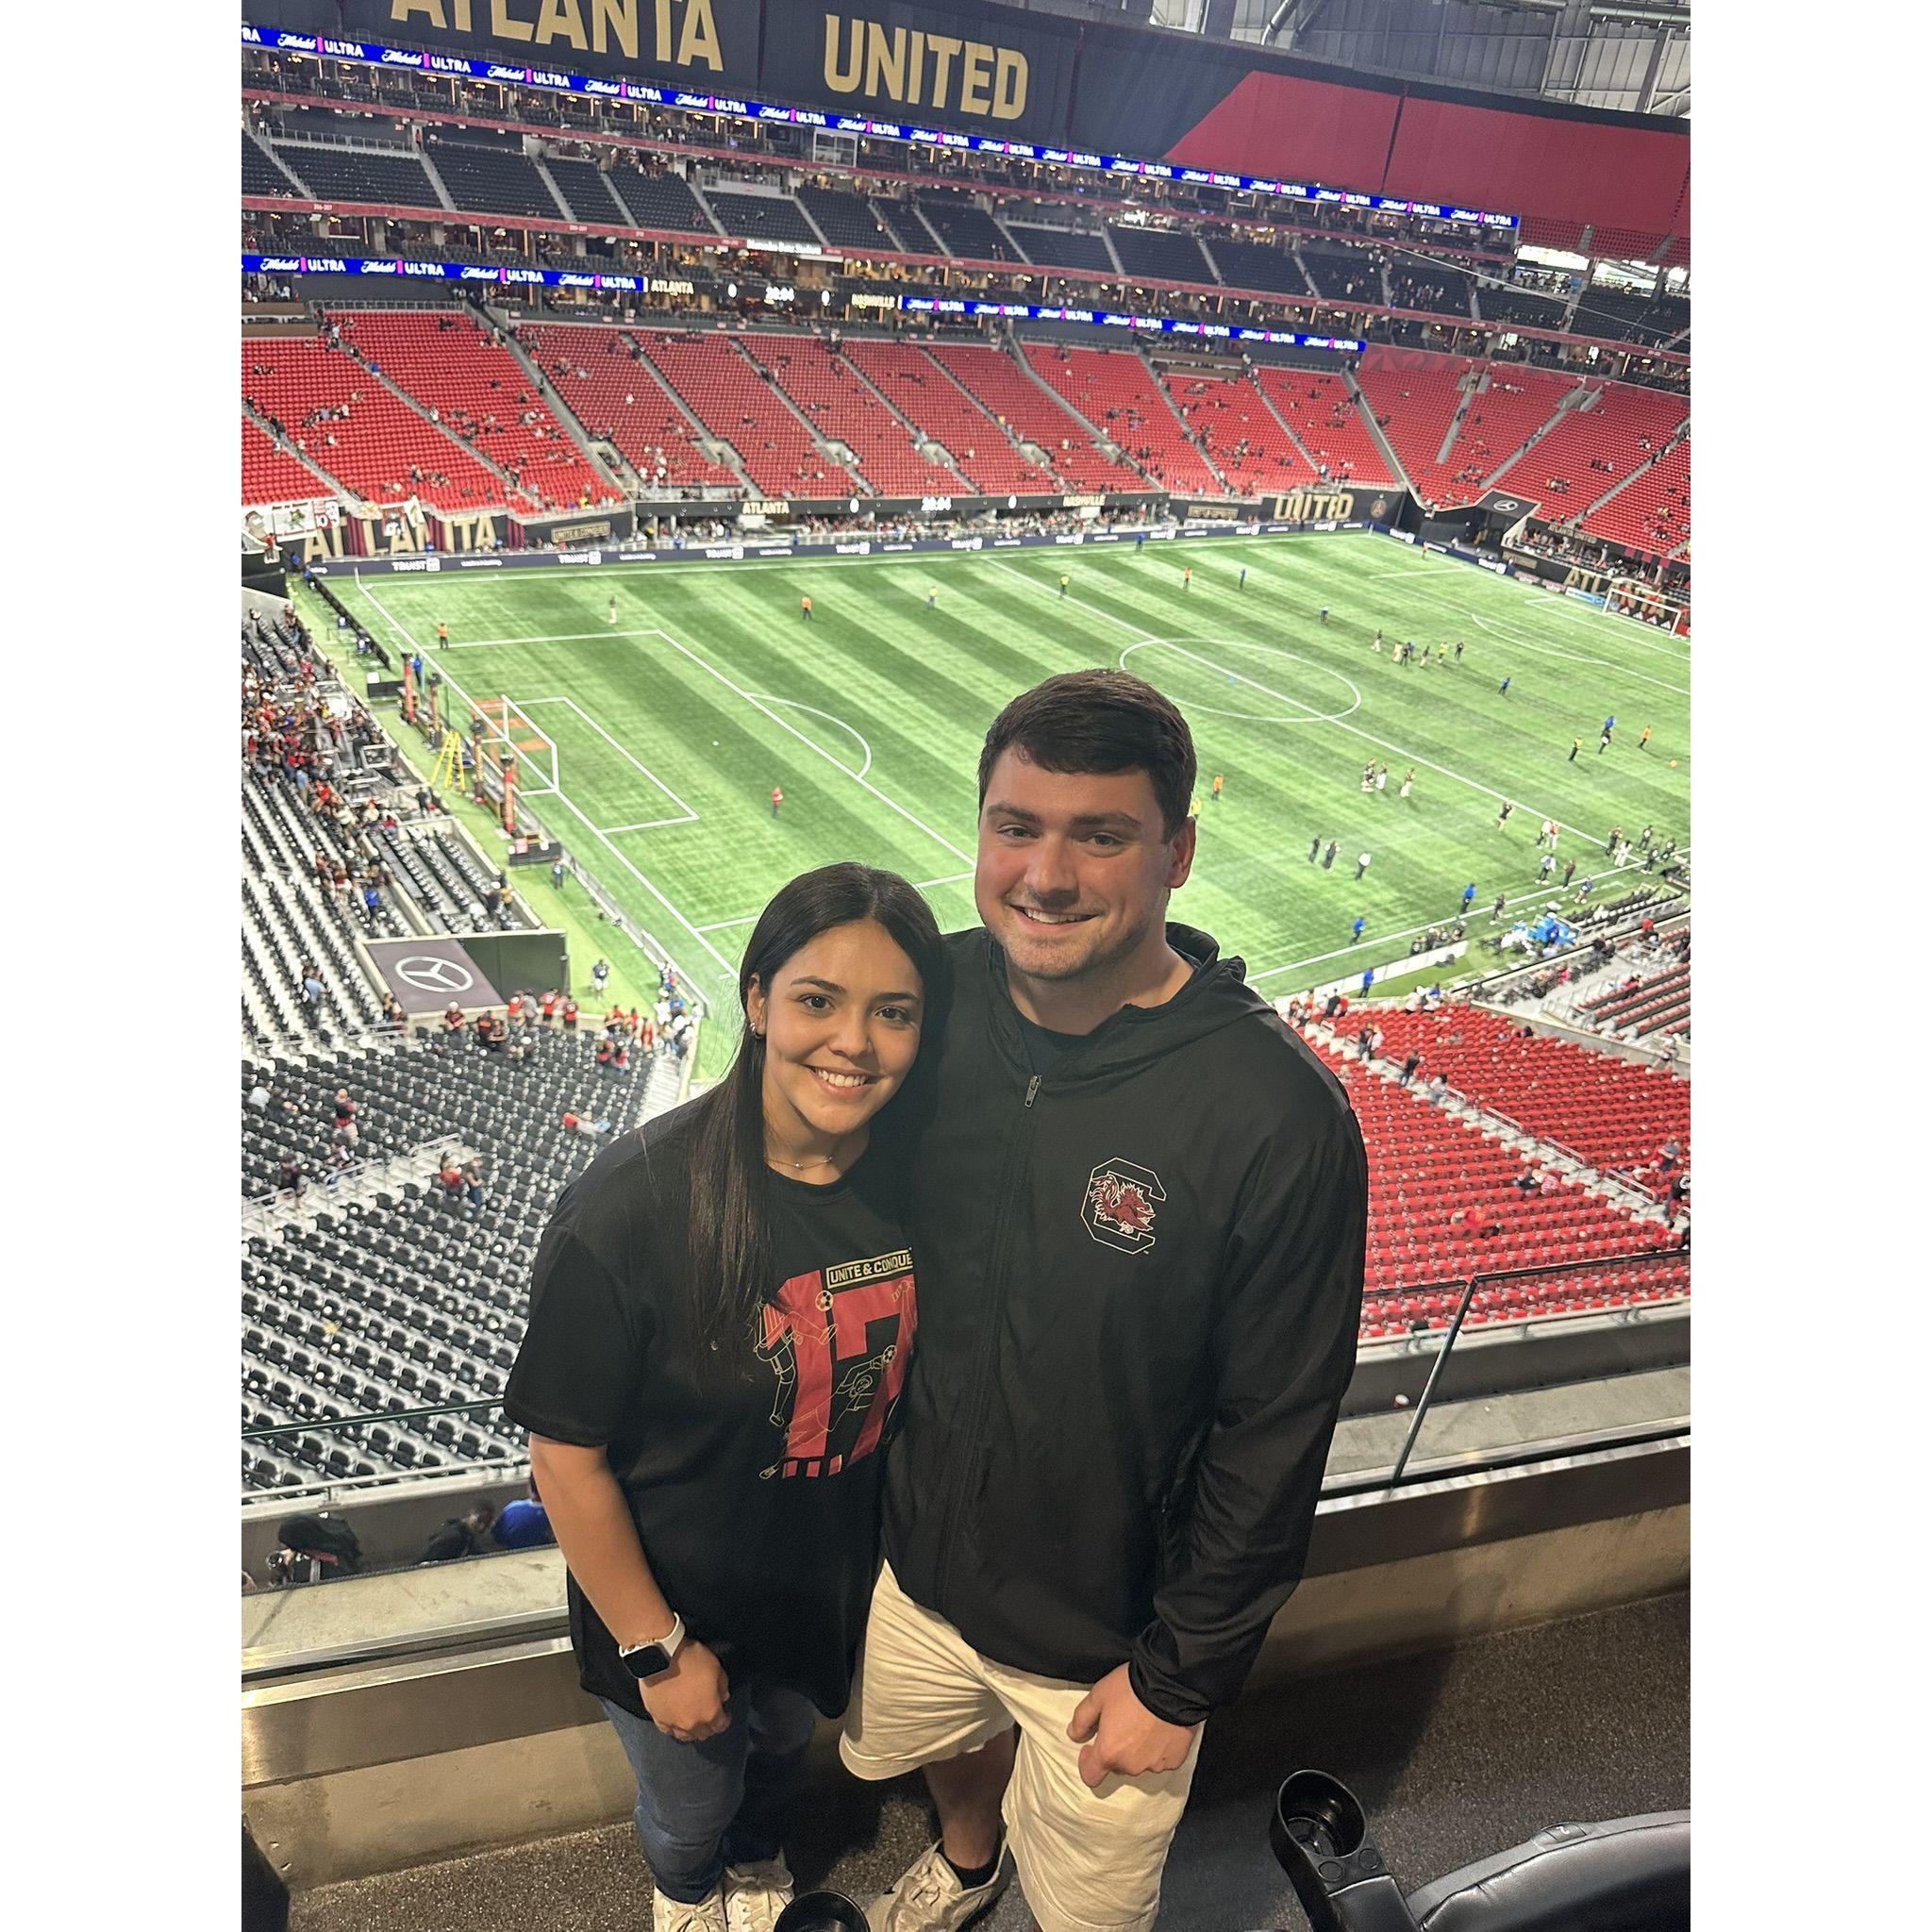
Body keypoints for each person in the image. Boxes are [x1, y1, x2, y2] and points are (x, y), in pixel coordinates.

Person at [845, 672, 1367, 1932]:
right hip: (914, 1572)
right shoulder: (925, 1005)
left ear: (1176, 852)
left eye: (1100, 835)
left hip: (1110, 1645)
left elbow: (1275, 1426)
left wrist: (1178, 1677)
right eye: (1016, 826)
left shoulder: (1279, 1116)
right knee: (939, 1751)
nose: (1046, 873)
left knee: (1088, 1912)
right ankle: (968, 1858)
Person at [506, 865, 943, 1932]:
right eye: (817, 999)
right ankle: (687, 1890)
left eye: (893, 1012)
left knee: (779, 1757)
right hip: (673, 1610)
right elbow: (563, 1456)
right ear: (755, 999)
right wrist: (657, 1649)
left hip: (820, 1595)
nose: (853, 1041)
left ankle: (752, 1859)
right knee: (688, 1802)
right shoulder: (626, 1208)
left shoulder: (924, 1183)